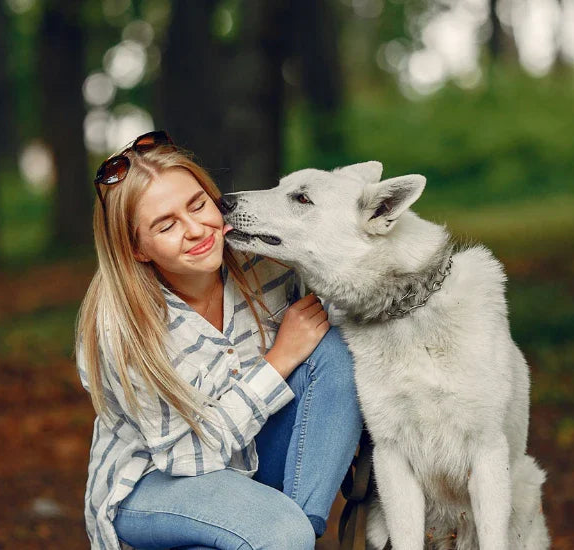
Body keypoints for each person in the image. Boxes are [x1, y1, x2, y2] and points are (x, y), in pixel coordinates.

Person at [74, 130, 363, 550]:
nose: (196, 229)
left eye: (198, 205)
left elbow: (344, 319)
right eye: (166, 225)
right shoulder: (122, 326)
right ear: (138, 249)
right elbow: (183, 457)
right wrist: (278, 361)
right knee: (279, 533)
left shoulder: (265, 263)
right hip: (156, 480)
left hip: (251, 452)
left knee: (333, 353)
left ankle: (295, 534)